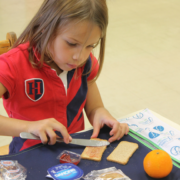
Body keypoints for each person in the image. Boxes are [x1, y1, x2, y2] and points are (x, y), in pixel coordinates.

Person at [0, 0, 129, 154]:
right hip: (28, 154)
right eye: (71, 43)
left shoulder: (84, 64)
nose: (79, 57)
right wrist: (29, 127)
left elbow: (95, 107)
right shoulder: (13, 64)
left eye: (90, 46)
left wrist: (101, 114)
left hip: (73, 153)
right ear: (45, 26)